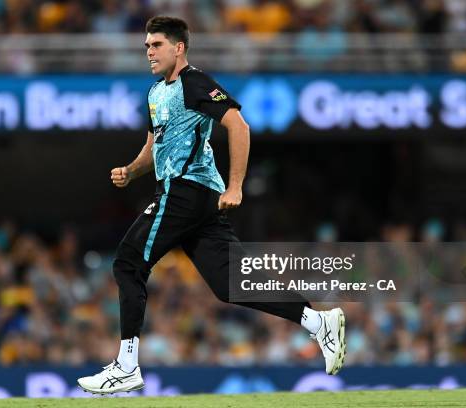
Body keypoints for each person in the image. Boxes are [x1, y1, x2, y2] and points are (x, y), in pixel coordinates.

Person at [77, 16, 346, 394]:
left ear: (179, 48)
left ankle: (126, 366)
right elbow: (155, 145)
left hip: (184, 191)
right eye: (146, 46)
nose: (149, 52)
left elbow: (239, 126)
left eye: (156, 45)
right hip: (194, 198)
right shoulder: (157, 92)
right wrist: (131, 171)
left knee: (128, 262)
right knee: (230, 283)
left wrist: (236, 186)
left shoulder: (195, 83)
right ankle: (319, 323)